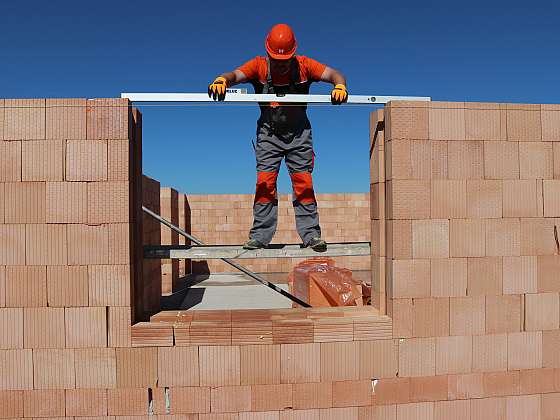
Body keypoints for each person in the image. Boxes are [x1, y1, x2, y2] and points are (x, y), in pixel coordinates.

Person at [208, 23, 348, 251]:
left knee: (303, 184)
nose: (281, 65)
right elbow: (234, 74)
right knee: (265, 183)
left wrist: (340, 86)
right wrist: (222, 80)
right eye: (277, 60)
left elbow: (334, 74)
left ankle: (311, 235)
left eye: (285, 60)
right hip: (268, 134)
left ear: (293, 53)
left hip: (299, 134)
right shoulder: (258, 66)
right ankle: (260, 236)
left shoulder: (305, 65)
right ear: (268, 54)